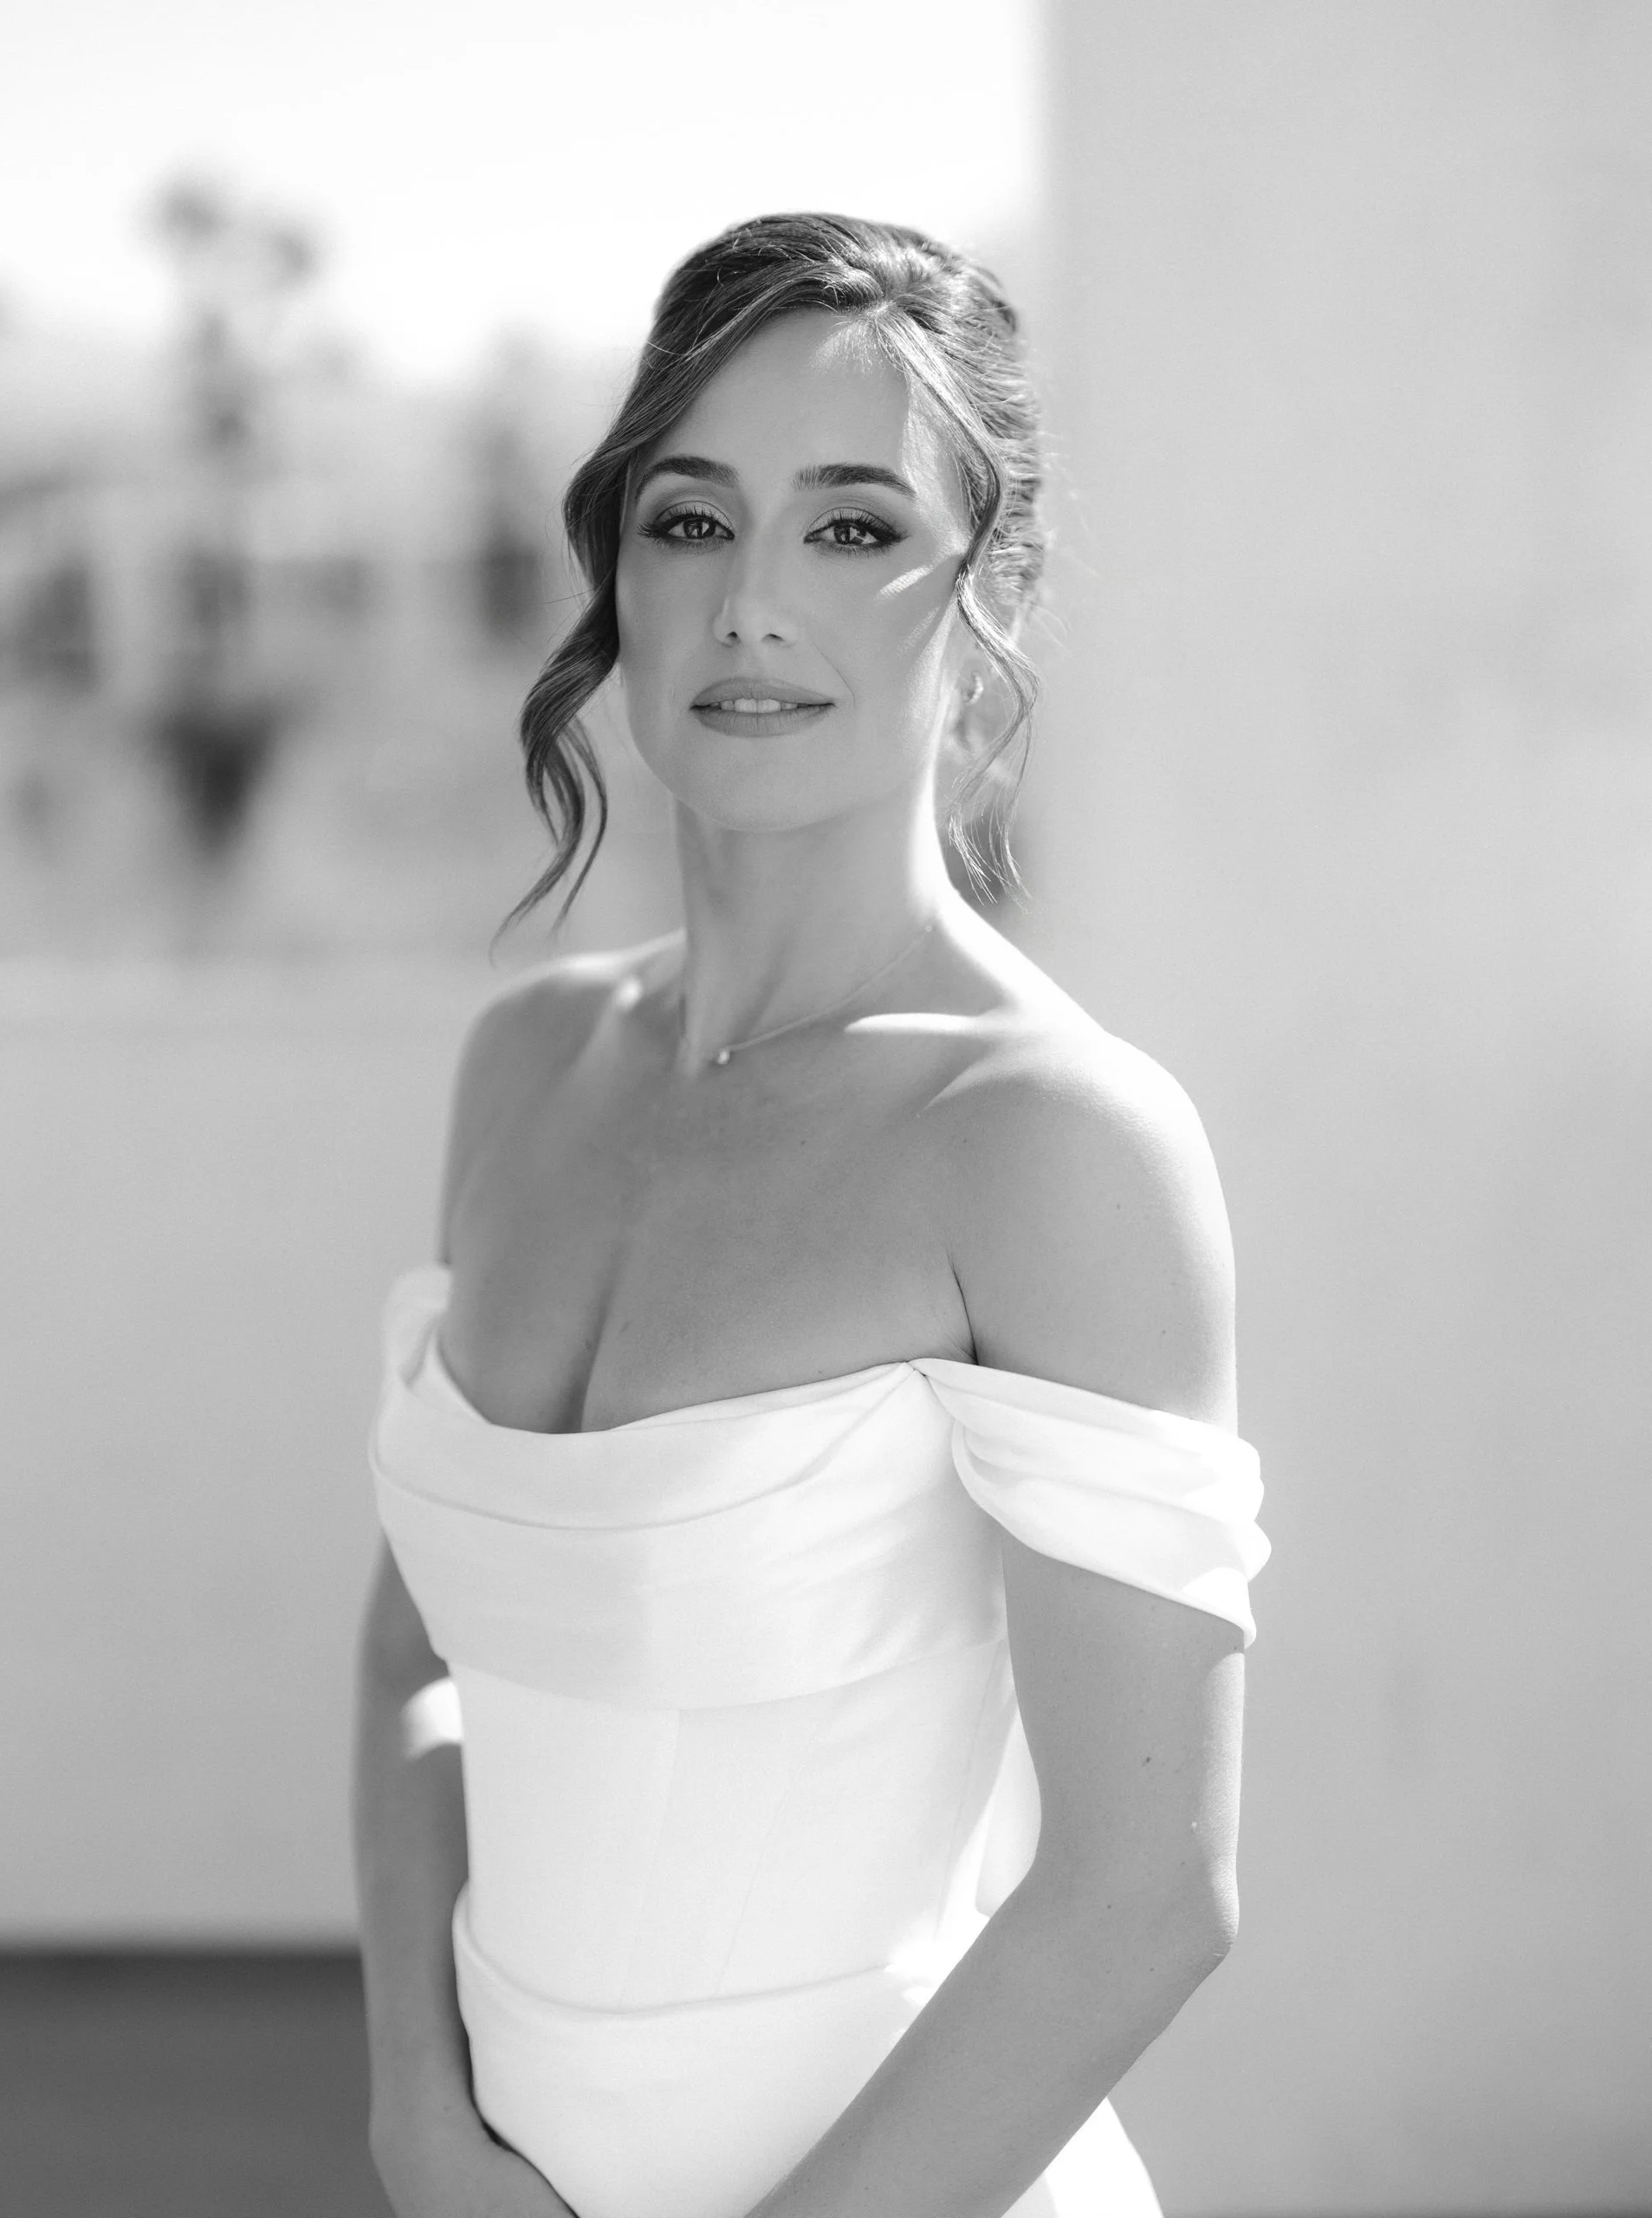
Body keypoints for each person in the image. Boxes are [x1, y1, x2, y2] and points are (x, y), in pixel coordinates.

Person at [353, 212, 1269, 2218]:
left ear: (991, 584)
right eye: (692, 518)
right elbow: (419, 1656)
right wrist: (420, 2122)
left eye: (855, 528)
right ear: (620, 566)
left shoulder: (1048, 1137)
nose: (754, 599)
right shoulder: (528, 1065)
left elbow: (1145, 1896)